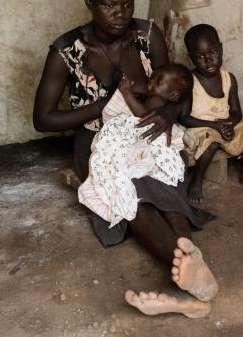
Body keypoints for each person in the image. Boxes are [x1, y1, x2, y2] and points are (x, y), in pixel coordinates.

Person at [33, 0, 218, 318]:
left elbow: (176, 87)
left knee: (163, 176)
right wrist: (102, 107)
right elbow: (42, 119)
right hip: (98, 139)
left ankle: (189, 271)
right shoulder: (66, 50)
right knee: (128, 190)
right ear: (89, 2)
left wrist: (168, 113)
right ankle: (185, 271)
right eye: (109, 5)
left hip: (148, 127)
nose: (121, 14)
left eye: (127, 5)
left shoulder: (149, 36)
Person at [78, 64, 193, 227]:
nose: (152, 80)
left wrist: (126, 92)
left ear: (173, 95)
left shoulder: (156, 100)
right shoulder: (159, 98)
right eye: (153, 76)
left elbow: (141, 115)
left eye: (158, 81)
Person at [180, 24, 243, 205]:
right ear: (190, 58)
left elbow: (236, 112)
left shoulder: (228, 78)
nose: (208, 60)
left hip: (224, 126)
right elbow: (184, 117)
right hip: (199, 129)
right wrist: (214, 126)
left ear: (221, 48)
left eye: (213, 53)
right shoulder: (189, 81)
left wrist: (229, 124)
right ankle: (196, 182)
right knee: (211, 142)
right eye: (200, 57)